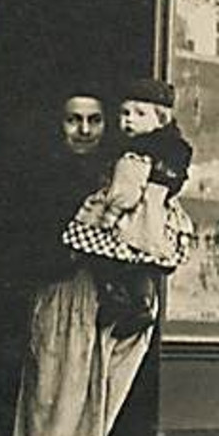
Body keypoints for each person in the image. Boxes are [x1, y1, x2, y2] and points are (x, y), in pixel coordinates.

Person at [8, 83, 171, 436]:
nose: (84, 130)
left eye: (94, 120)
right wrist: (77, 246)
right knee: (52, 431)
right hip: (62, 305)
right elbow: (28, 245)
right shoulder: (41, 176)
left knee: (99, 433)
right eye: (73, 120)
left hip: (110, 314)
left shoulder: (119, 171)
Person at [62, 77, 196, 339]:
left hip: (132, 214)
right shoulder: (172, 150)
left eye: (139, 114)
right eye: (124, 113)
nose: (129, 120)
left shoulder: (135, 152)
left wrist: (109, 215)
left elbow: (126, 190)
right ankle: (140, 300)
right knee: (139, 262)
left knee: (104, 251)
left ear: (161, 119)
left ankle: (118, 298)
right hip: (154, 215)